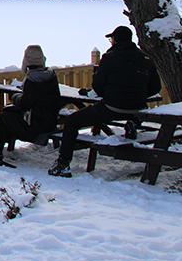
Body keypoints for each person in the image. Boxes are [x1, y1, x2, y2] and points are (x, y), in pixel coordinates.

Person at [48, 25, 161, 178]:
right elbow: (155, 87)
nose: (110, 42)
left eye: (111, 39)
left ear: (115, 41)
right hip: (138, 108)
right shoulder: (146, 59)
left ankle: (63, 164)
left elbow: (98, 88)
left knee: (72, 121)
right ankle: (133, 122)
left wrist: (109, 92)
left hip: (112, 107)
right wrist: (138, 94)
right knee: (133, 112)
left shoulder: (110, 58)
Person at [0, 45, 63, 166]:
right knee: (6, 116)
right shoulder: (50, 76)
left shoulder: (34, 80)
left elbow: (24, 103)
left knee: (2, 118)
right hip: (49, 121)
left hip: (37, 127)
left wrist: (15, 97)